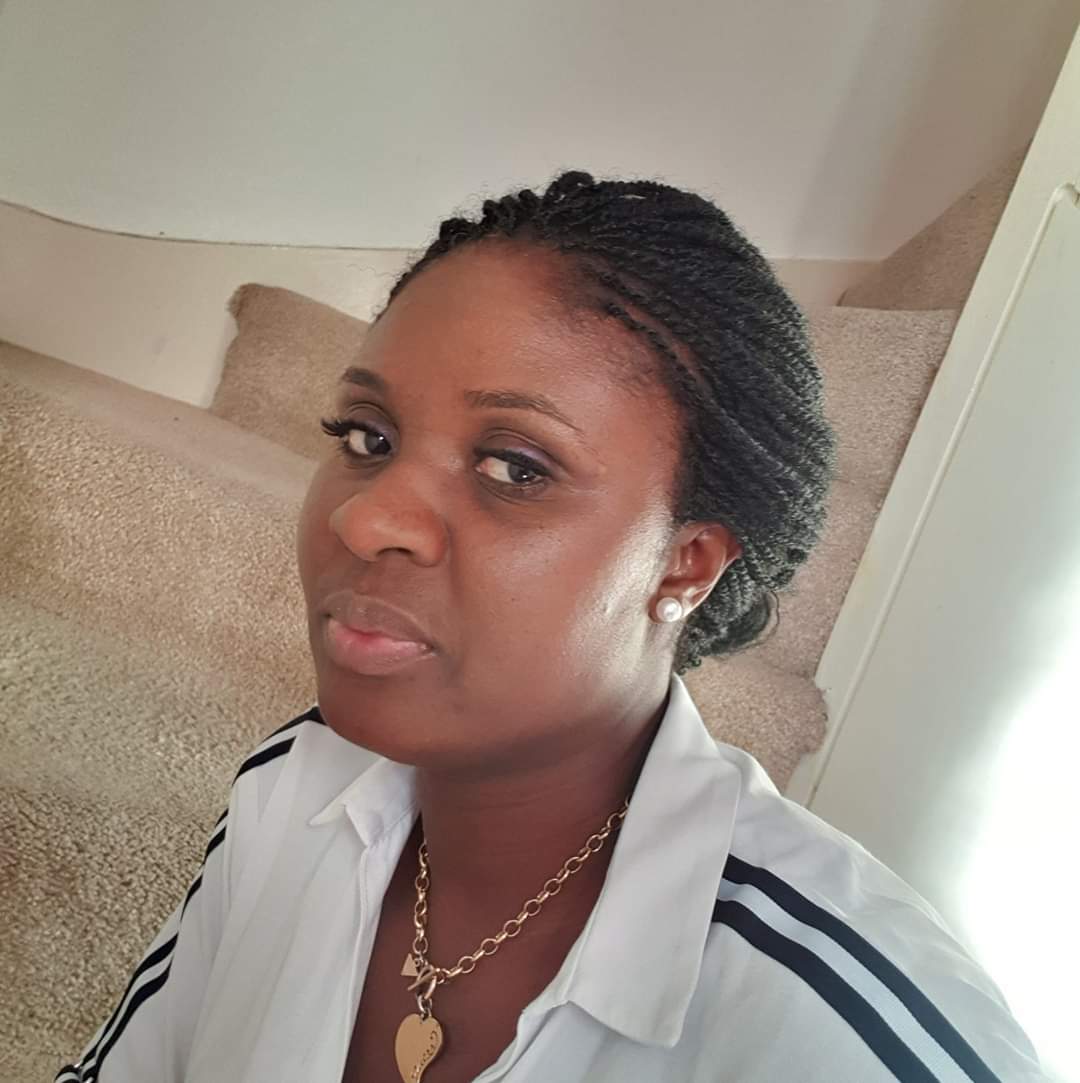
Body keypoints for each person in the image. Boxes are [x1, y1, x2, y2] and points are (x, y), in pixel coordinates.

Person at [54, 172, 1044, 1083]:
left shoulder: (850, 1035)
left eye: (515, 467)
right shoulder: (296, 787)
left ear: (685, 565)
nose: (366, 518)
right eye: (368, 436)